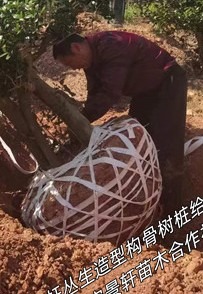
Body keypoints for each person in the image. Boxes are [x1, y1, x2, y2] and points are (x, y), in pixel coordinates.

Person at [52, 30, 187, 217]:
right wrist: (79, 123)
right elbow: (95, 95)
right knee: (138, 140)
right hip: (144, 91)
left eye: (69, 63)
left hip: (168, 81)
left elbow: (110, 92)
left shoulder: (111, 44)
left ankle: (171, 209)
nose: (72, 68)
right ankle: (144, 197)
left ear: (76, 48)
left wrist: (80, 121)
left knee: (166, 145)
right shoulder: (91, 60)